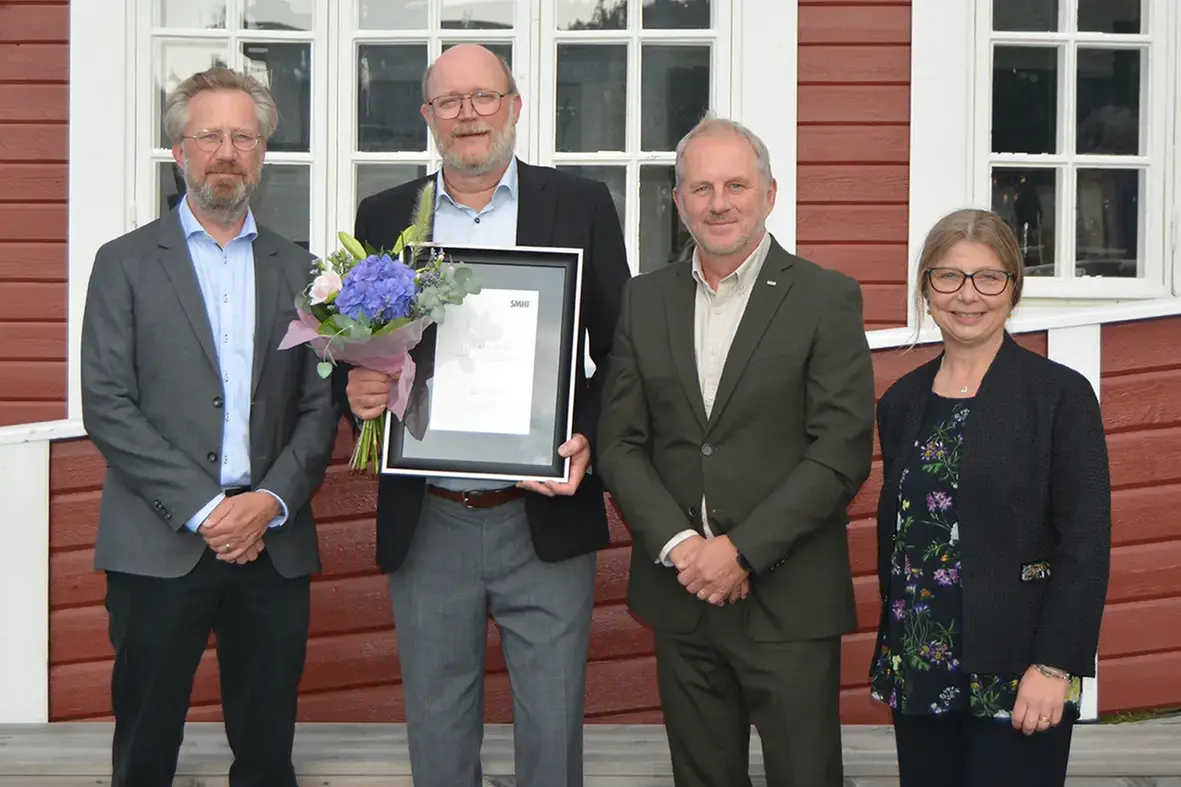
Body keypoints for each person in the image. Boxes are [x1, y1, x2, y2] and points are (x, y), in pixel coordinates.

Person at [340, 44, 631, 787]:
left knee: (553, 724)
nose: (468, 115)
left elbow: (620, 355)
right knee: (436, 728)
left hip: (542, 510)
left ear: (515, 106)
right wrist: (362, 395)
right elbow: (365, 356)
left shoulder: (581, 204)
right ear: (427, 116)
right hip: (429, 511)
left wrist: (587, 438)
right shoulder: (383, 215)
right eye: (450, 101)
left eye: (484, 97)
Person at [596, 115, 876, 787]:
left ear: (769, 194)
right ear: (678, 202)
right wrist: (682, 547)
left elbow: (839, 450)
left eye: (734, 185)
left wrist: (740, 550)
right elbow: (620, 442)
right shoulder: (643, 300)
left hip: (788, 597)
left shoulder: (823, 297)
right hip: (680, 592)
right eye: (700, 188)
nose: (718, 202)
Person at [79, 66, 338, 787]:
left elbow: (320, 407)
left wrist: (269, 501)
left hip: (273, 543)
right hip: (158, 543)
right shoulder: (123, 264)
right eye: (209, 136)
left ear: (260, 153)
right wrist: (206, 507)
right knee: (145, 752)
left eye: (242, 137)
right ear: (179, 152)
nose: (226, 152)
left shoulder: (305, 271)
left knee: (266, 756)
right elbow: (106, 402)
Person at [868, 208, 1111, 787]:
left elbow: (1086, 543)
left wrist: (1055, 667)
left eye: (988, 277)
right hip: (920, 664)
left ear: (1013, 288)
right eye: (948, 276)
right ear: (926, 288)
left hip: (1019, 671)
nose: (967, 295)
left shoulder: (1059, 397)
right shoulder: (902, 401)